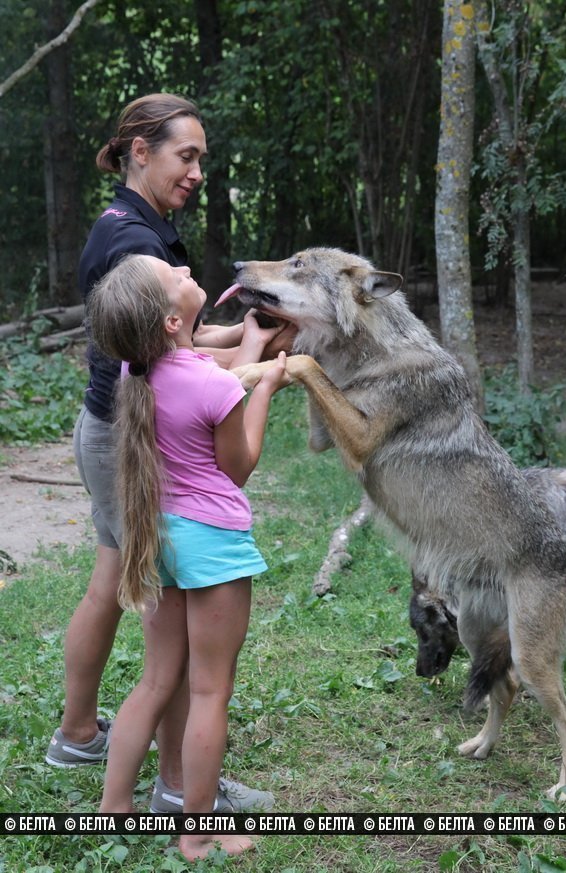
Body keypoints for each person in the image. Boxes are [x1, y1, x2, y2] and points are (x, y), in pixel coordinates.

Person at [45, 93, 286, 814]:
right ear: (139, 152)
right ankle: (178, 784)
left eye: (202, 159)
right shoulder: (137, 247)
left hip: (116, 425)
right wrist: (254, 360)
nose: (197, 171)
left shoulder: (129, 223)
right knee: (168, 632)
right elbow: (181, 359)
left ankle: (81, 733)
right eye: (187, 155)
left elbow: (173, 344)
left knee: (115, 576)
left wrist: (244, 340)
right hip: (133, 441)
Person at [90, 254, 289, 859]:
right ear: (173, 323)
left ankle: (113, 807)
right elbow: (240, 465)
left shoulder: (133, 370)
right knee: (208, 691)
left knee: (155, 680)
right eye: (173, 276)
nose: (184, 269)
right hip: (211, 546)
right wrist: (267, 389)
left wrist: (250, 350)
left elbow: (204, 364)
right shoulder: (214, 386)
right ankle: (199, 827)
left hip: (158, 540)